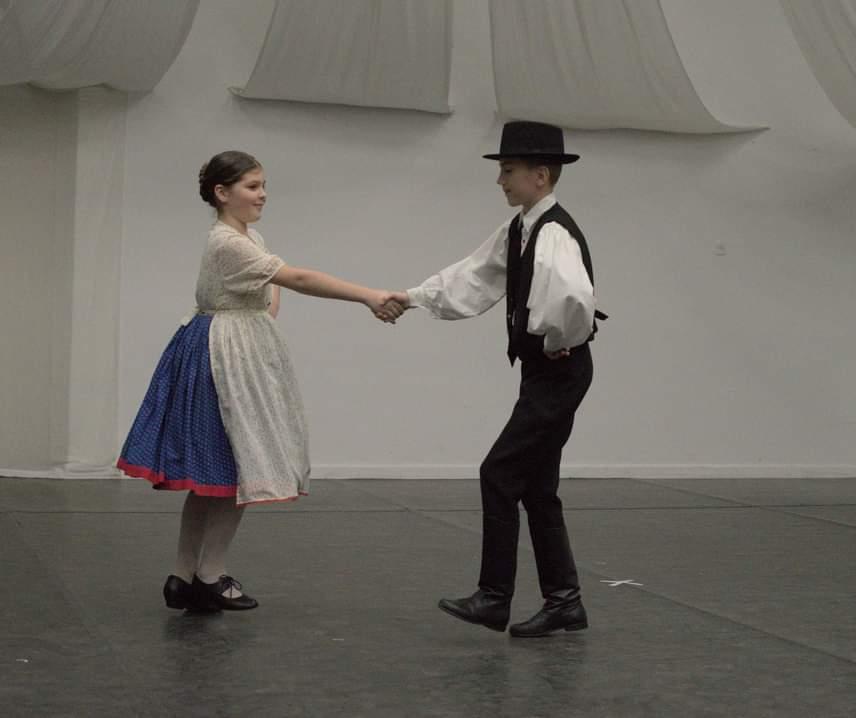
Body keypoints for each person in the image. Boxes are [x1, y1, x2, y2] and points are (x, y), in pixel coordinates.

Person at [117, 150, 403, 612]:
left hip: (225, 350)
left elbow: (270, 292)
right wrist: (369, 295)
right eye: (252, 186)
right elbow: (298, 278)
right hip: (222, 359)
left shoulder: (247, 239)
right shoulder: (229, 243)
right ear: (221, 192)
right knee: (238, 468)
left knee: (212, 475)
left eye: (263, 185)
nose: (263, 194)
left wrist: (262, 313)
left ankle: (183, 575)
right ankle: (210, 575)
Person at [390, 120, 605, 637]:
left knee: (498, 473)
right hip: (547, 373)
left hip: (559, 373)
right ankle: (564, 601)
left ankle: (494, 597)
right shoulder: (520, 229)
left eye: (508, 171)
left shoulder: (553, 232)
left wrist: (555, 342)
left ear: (540, 175)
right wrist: (413, 297)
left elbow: (575, 299)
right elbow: (474, 274)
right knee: (537, 487)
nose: (500, 180)